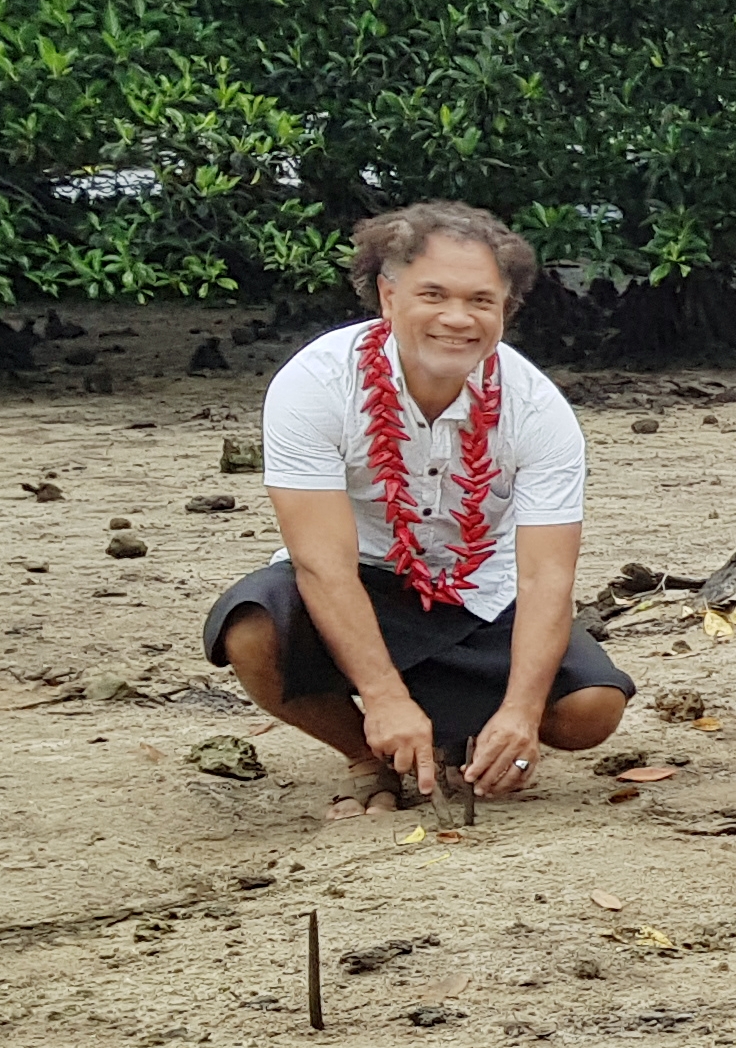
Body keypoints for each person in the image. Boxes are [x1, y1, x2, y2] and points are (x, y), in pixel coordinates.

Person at [204, 202, 630, 810]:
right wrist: (382, 697)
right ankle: (368, 758)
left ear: (505, 310)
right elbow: (322, 564)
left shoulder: (538, 408)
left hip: (481, 593)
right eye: (433, 294)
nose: (457, 319)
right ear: (388, 295)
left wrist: (520, 711)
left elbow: (546, 576)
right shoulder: (316, 384)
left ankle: (464, 737)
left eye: (481, 301)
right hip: (362, 579)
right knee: (252, 630)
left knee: (591, 711)